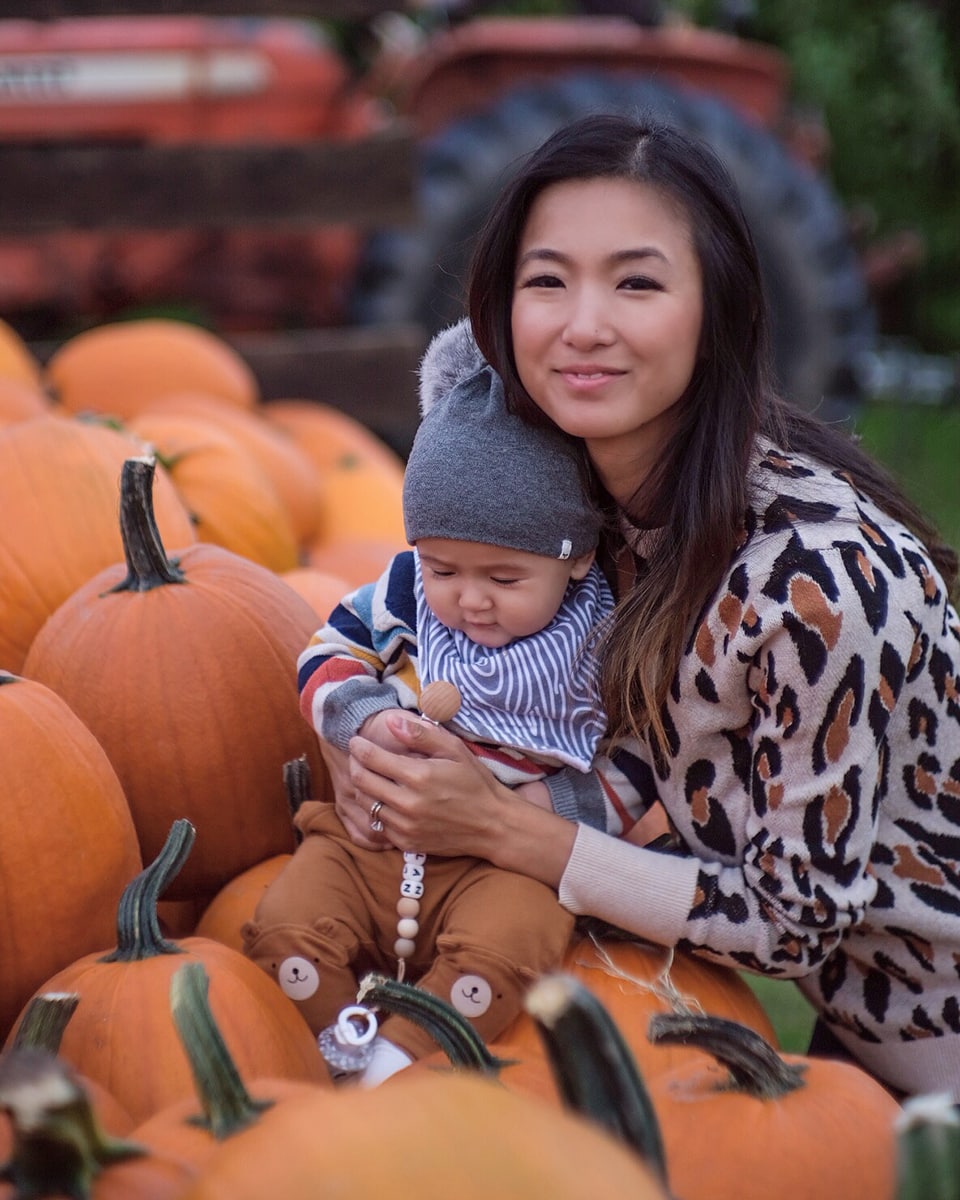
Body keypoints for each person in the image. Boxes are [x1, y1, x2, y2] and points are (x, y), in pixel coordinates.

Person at [324, 113, 960, 1102]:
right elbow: (393, 624)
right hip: (852, 1038)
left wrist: (506, 829)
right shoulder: (575, 512)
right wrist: (364, 738)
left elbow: (793, 921)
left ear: (720, 312)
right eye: (548, 280)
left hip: (933, 1053)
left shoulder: (818, 584)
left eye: (637, 281)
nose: (584, 324)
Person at [242, 325, 652, 1086]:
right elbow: (324, 655)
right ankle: (338, 1049)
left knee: (508, 948)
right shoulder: (401, 597)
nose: (470, 601)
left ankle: (400, 1064)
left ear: (579, 558)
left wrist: (540, 806)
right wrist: (362, 718)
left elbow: (635, 768)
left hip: (503, 863)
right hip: (372, 837)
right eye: (445, 569)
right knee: (285, 928)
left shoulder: (605, 643)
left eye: (504, 578)